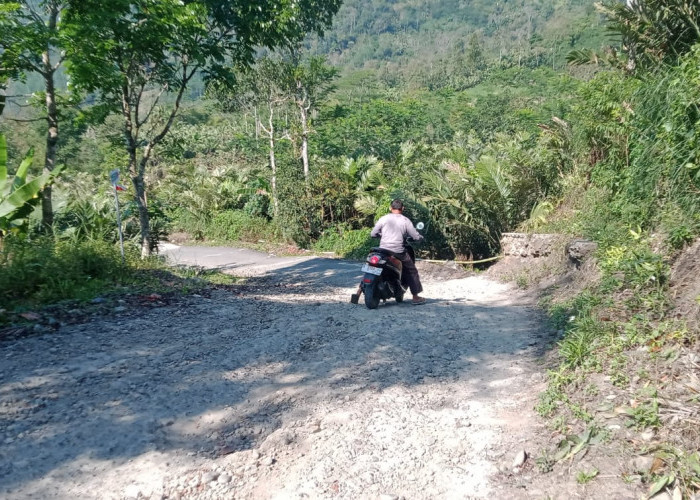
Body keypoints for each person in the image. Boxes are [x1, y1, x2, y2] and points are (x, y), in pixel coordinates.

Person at [370, 199, 426, 305]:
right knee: (411, 270)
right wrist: (420, 238)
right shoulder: (405, 221)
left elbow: (373, 234)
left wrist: (380, 235)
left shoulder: (383, 218)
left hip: (383, 251)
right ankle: (415, 297)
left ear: (391, 208)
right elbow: (415, 235)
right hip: (398, 252)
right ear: (402, 208)